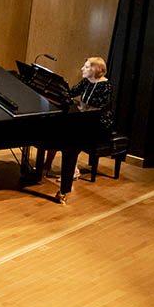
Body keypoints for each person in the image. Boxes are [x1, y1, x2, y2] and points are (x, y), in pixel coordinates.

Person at [51, 57, 115, 204]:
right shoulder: (86, 82)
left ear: (95, 70)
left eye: (86, 67)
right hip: (85, 119)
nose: (82, 69)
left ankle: (71, 171)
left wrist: (80, 104)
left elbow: (99, 105)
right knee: (64, 130)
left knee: (72, 136)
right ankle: (70, 168)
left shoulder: (106, 86)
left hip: (99, 123)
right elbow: (71, 92)